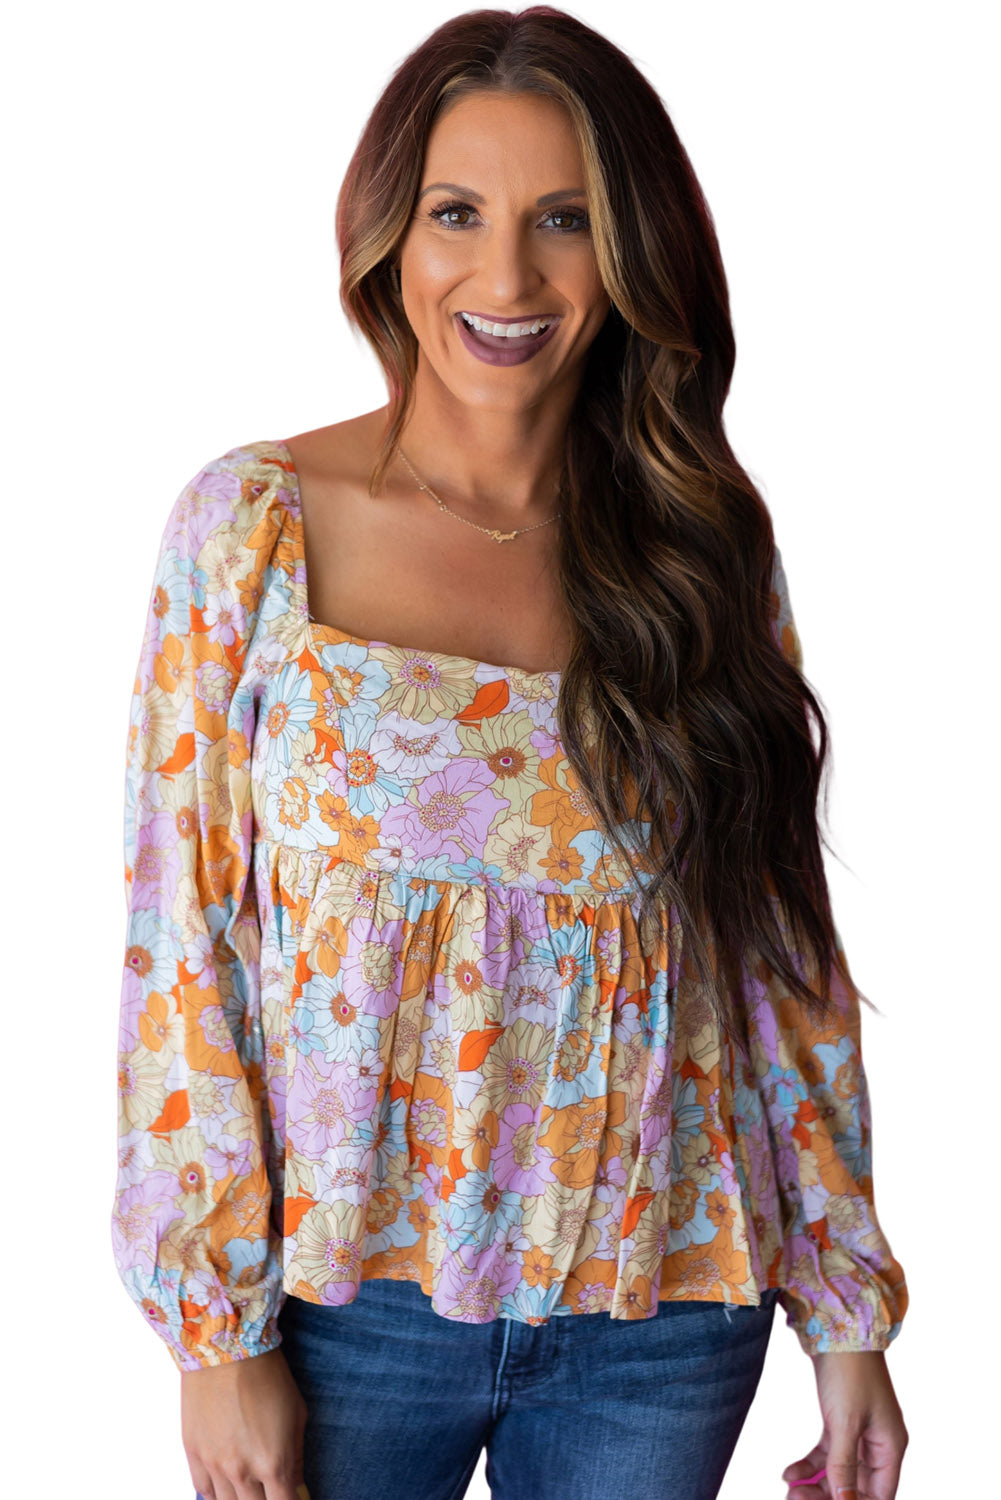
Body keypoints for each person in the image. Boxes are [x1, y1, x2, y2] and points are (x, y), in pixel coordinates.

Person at [110, 8, 910, 1499]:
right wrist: (215, 1337)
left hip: (667, 1303)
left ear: (633, 253)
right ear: (386, 236)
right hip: (344, 1303)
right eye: (456, 214)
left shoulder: (700, 546)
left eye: (566, 220)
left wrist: (845, 1307)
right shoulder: (254, 525)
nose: (506, 280)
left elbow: (774, 948)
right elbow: (186, 937)